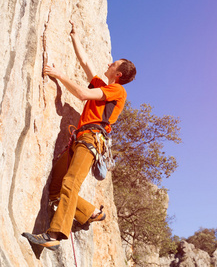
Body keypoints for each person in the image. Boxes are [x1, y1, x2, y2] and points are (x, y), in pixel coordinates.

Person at [22, 20, 136, 250]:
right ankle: (90, 213)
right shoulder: (105, 85)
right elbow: (85, 63)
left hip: (91, 140)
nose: (108, 63)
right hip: (80, 139)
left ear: (119, 73)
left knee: (71, 182)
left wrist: (59, 75)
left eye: (113, 64)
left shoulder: (117, 90)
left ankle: (54, 236)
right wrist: (74, 36)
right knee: (56, 187)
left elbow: (83, 94)